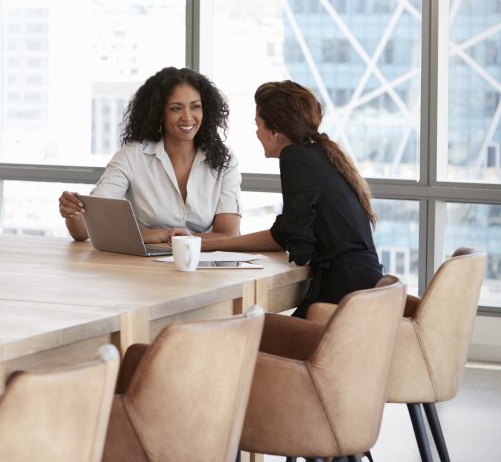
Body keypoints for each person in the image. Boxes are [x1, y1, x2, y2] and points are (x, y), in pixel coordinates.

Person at [202, 80, 382, 317]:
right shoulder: (319, 153)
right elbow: (284, 234)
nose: (257, 133)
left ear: (275, 131)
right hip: (362, 284)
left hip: (343, 289)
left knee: (249, 331)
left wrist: (295, 240)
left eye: (258, 125)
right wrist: (206, 244)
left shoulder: (294, 156)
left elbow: (300, 245)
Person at [59, 67, 242, 244]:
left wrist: (176, 239)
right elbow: (84, 230)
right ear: (159, 113)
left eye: (195, 107)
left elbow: (228, 235)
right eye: (176, 108)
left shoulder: (224, 161)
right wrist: (72, 210)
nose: (187, 117)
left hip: (204, 267)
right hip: (144, 268)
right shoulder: (132, 156)